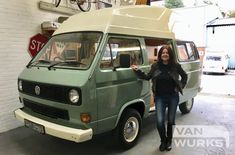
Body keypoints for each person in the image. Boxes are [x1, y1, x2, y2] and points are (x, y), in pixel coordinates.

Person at [131, 45, 188, 151]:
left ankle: (169, 140)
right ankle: (163, 140)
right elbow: (148, 77)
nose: (165, 54)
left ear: (170, 54)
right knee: (160, 122)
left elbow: (185, 76)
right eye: (163, 53)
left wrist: (180, 86)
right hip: (160, 97)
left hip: (173, 97)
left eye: (167, 53)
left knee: (171, 121)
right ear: (160, 55)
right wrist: (137, 71)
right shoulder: (155, 66)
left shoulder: (175, 66)